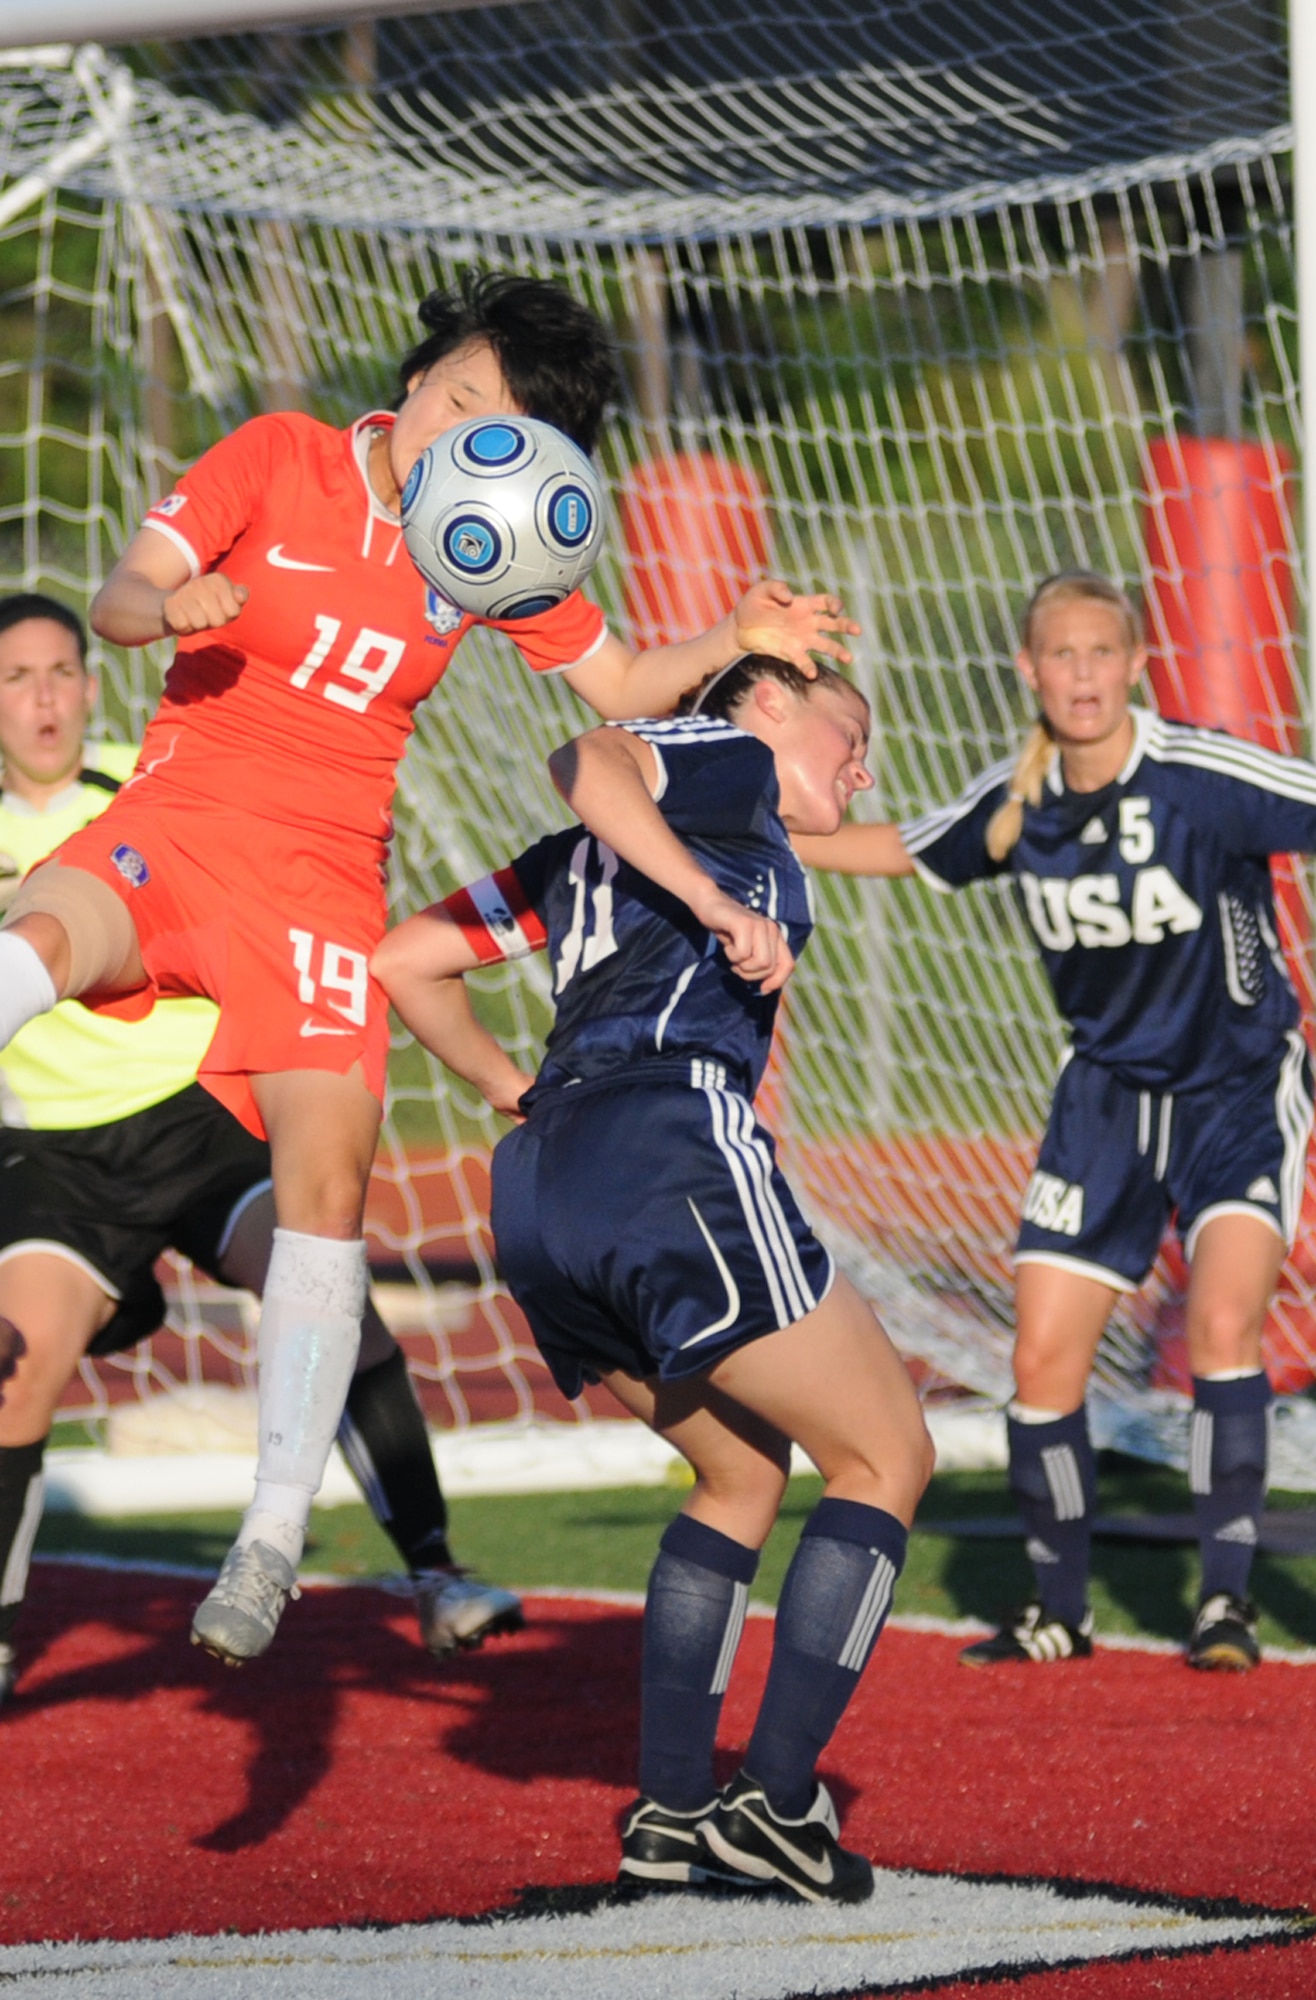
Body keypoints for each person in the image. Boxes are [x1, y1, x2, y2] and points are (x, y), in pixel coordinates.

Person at [0, 269, 855, 1669]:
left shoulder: (486, 535)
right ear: (418, 375)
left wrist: (737, 642)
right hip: (184, 818)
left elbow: (624, 683)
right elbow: (117, 595)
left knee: (329, 1184)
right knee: (47, 934)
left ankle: (273, 1537)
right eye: (451, 391)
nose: (450, 425)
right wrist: (172, 601)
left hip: (325, 882)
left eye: (487, 419)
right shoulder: (278, 455)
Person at [372, 653, 934, 1904]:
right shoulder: (726, 762)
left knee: (739, 1471)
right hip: (664, 1141)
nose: (865, 758)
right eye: (852, 727)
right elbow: (587, 761)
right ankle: (778, 1804)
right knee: (887, 1455)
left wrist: (510, 1087)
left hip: (542, 1183)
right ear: (772, 705)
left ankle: (672, 1811)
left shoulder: (601, 850)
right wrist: (718, 905)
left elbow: (408, 957)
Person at [795, 568, 1316, 1673]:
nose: (1081, 674)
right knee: (1041, 1358)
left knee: (1224, 1325)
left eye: (1101, 653)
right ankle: (1058, 1611)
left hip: (1234, 1086)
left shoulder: (1199, 771)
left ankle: (1223, 1607)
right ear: (1027, 670)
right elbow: (905, 845)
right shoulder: (1017, 796)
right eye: (1060, 654)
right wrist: (753, 845)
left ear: (1135, 665)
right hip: (1102, 1098)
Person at [0, 593, 522, 1708]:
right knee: (16, 1375)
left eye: (60, 671)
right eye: (15, 677)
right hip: (53, 1163)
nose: (43, 697)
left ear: (94, 685)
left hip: (202, 1115)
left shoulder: (143, 790)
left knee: (333, 1293)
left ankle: (434, 1571)